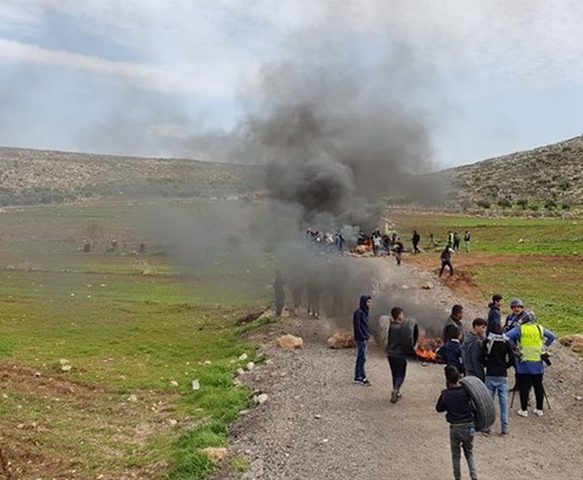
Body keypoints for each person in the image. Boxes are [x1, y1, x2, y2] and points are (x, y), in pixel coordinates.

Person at [505, 313, 556, 417]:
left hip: (523, 362)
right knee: (538, 386)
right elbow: (552, 336)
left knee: (524, 387)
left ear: (524, 320)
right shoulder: (539, 328)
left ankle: (524, 410)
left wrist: (515, 347)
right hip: (537, 363)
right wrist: (544, 346)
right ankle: (539, 409)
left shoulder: (520, 329)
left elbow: (506, 337)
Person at [436, 365, 478, 480]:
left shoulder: (446, 393)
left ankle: (457, 477)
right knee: (469, 452)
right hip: (469, 426)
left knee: (456, 455)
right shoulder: (466, 391)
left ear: (447, 379)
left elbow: (439, 408)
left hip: (455, 428)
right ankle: (474, 476)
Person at [479, 323, 516, 435]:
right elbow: (512, 359)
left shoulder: (487, 341)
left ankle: (487, 428)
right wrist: (505, 366)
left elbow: (480, 358)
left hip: (490, 374)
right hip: (502, 375)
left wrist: (487, 364)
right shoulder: (506, 341)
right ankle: (504, 429)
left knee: (488, 404)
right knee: (503, 404)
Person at [503, 298, 535, 391]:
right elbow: (506, 327)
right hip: (512, 346)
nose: (516, 309)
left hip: (523, 345)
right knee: (516, 367)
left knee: (525, 369)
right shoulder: (510, 316)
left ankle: (527, 390)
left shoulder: (527, 316)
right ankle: (518, 386)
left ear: (522, 307)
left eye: (518, 307)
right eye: (514, 307)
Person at [386, 306, 408, 403]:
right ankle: (396, 389)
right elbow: (405, 341)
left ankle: (397, 392)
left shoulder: (391, 326)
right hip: (399, 354)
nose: (403, 316)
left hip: (390, 354)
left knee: (394, 374)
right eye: (402, 314)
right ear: (398, 315)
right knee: (401, 374)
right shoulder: (401, 328)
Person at [353, 295, 372, 386]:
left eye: (370, 302)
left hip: (365, 338)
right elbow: (357, 327)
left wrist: (367, 335)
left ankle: (357, 375)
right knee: (362, 358)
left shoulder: (365, 312)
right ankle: (363, 377)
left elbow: (365, 325)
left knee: (361, 357)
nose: (370, 304)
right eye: (368, 302)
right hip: (361, 339)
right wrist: (363, 337)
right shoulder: (358, 312)